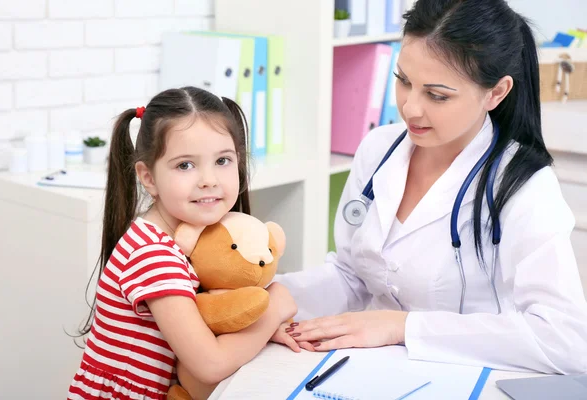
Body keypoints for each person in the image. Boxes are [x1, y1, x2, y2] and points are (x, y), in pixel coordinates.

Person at [272, 0, 587, 374]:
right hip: (367, 368)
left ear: (496, 93)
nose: (411, 109)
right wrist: (272, 299)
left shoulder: (524, 185)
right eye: (403, 81)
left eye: (437, 95)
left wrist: (402, 327)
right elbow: (351, 274)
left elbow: (565, 340)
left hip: (466, 377)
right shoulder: (378, 150)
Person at [67, 86, 297, 400]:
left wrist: (258, 333)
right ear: (148, 177)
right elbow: (210, 363)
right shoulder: (153, 256)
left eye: (223, 160)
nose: (209, 179)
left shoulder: (191, 235)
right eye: (185, 165)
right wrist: (274, 308)